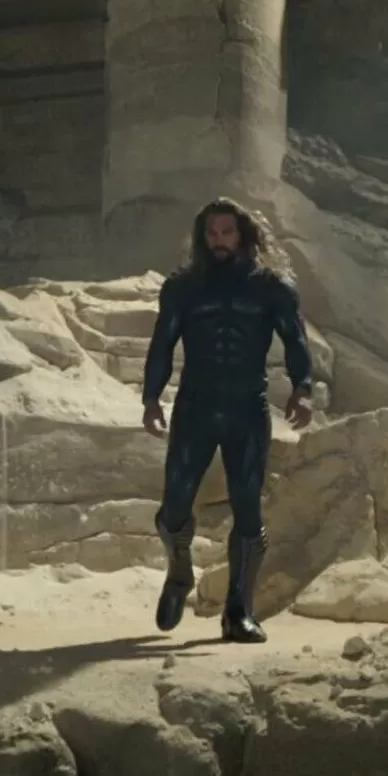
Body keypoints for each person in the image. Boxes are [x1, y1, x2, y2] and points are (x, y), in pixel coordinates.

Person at [141, 198, 315, 644]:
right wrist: (151, 398)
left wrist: (303, 388)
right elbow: (162, 344)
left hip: (246, 408)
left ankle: (239, 612)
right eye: (212, 233)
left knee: (248, 508)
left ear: (243, 235)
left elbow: (295, 339)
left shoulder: (272, 288)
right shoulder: (183, 288)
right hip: (195, 406)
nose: (219, 241)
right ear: (203, 237)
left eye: (227, 232)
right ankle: (179, 573)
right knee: (174, 506)